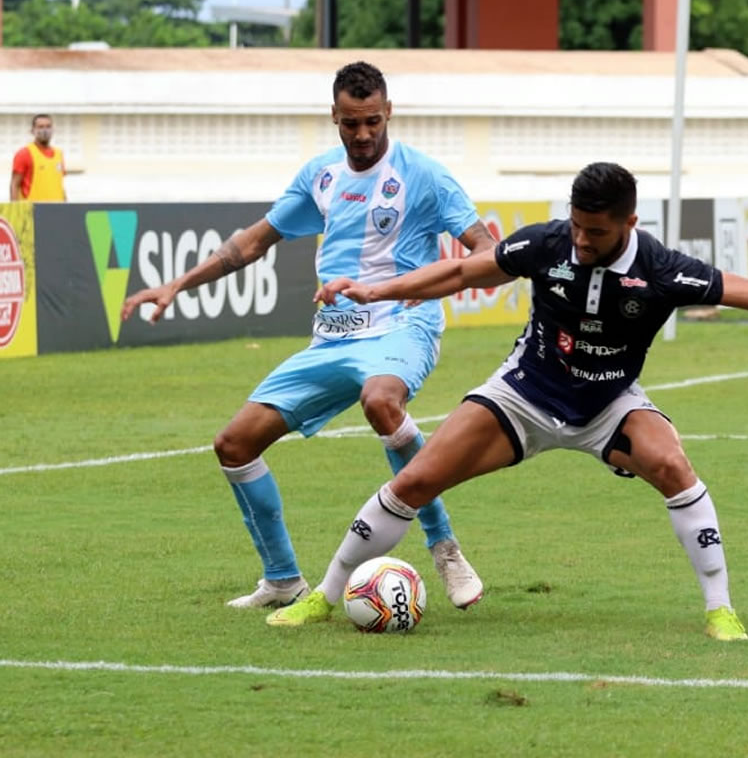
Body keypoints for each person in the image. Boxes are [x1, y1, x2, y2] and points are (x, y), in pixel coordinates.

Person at [265, 161, 748, 640]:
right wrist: (378, 292)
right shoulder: (547, 243)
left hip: (608, 404)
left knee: (674, 466)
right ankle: (324, 594)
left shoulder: (663, 269)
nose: (581, 240)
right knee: (417, 477)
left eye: (596, 232)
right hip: (524, 393)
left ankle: (721, 609)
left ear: (629, 223)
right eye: (577, 226)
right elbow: (466, 270)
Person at [121, 61, 493, 611]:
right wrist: (178, 284)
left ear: (389, 112)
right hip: (333, 340)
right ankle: (281, 580)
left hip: (400, 328)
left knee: (381, 401)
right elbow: (250, 244)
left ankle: (445, 549)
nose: (362, 135)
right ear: (334, 117)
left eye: (371, 122)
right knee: (234, 444)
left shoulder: (425, 176)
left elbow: (486, 249)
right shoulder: (320, 175)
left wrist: (429, 286)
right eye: (350, 123)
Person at [10, 114, 67, 202]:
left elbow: (60, 185)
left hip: (57, 210)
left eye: (48, 126)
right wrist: (15, 211)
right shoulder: (24, 153)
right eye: (40, 127)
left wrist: (66, 206)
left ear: (53, 130)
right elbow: (14, 185)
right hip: (33, 211)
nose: (45, 130)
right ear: (32, 131)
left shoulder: (59, 154)